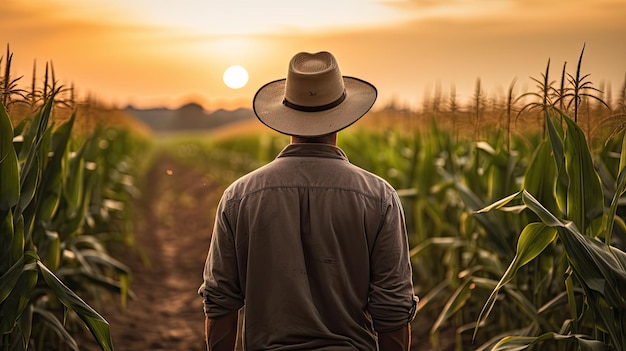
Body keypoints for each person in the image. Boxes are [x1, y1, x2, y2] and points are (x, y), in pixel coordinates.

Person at [198, 51, 418, 351]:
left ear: (286, 116)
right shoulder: (379, 198)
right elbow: (392, 309)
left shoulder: (239, 196)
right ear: (341, 115)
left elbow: (220, 301)